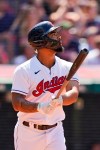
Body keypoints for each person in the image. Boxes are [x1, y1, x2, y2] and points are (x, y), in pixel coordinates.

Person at [11, 21, 79, 150]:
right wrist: (40, 106)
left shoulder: (67, 66)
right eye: (53, 34)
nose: (58, 37)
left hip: (55, 130)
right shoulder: (24, 70)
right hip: (29, 131)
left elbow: (74, 93)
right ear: (41, 41)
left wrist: (60, 100)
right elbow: (17, 103)